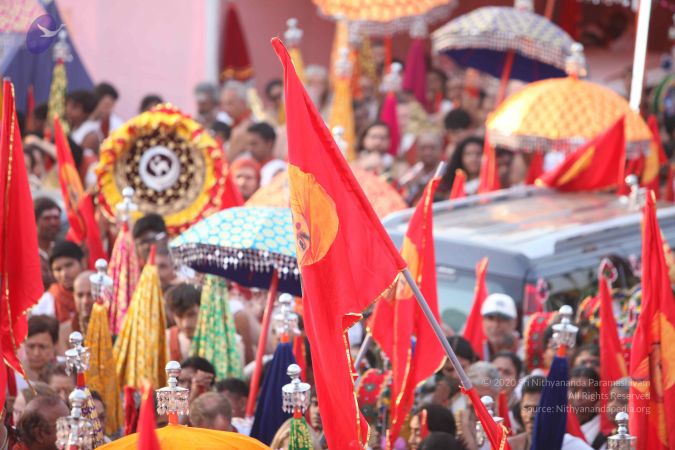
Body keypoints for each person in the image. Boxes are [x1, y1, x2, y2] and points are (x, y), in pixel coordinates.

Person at [509, 375, 592, 450]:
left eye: (538, 409)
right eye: (526, 408)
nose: (531, 415)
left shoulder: (571, 446)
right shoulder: (509, 445)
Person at [32, 241, 86, 324]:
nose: (64, 274)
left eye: (69, 265)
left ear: (83, 263)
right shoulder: (47, 301)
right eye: (58, 269)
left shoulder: (98, 292)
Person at [400, 132, 445, 205]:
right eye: (423, 148)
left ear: (440, 150)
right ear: (417, 151)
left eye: (432, 148)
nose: (427, 152)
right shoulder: (410, 175)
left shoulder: (447, 172)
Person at [57, 270, 94, 354]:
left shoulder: (113, 328)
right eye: (80, 295)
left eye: (90, 294)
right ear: (74, 297)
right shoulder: (64, 331)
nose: (85, 301)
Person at [569, 366, 604, 449]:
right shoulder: (556, 424)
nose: (579, 397)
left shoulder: (603, 430)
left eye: (587, 391)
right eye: (573, 390)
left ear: (598, 395)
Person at [165, 283, 201, 362]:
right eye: (179, 316)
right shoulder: (166, 340)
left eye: (191, 315)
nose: (186, 324)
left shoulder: (218, 340)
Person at [480, 293, 520, 360]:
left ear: (515, 322)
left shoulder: (526, 354)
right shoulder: (475, 351)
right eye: (490, 318)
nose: (495, 325)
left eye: (502, 319)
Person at [490, 351, 523, 433]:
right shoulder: (476, 407)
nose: (499, 377)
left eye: (506, 372)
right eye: (495, 371)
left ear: (517, 380)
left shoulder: (523, 412)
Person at [244, 122, 285, 187]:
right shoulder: (247, 166)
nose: (250, 148)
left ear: (269, 143)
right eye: (248, 144)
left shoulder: (277, 169)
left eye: (254, 144)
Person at [33, 198, 62, 290]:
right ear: (34, 221)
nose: (53, 222)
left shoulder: (61, 250)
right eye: (47, 218)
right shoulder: (24, 253)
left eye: (56, 218)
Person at [220, 81, 253, 160]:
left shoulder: (245, 127)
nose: (225, 108)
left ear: (243, 103)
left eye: (230, 103)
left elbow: (226, 160)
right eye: (223, 104)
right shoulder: (230, 124)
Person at [22, 315, 59, 384]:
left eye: (42, 347)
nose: (36, 353)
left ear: (55, 345)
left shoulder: (67, 374)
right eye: (31, 346)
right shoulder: (13, 376)